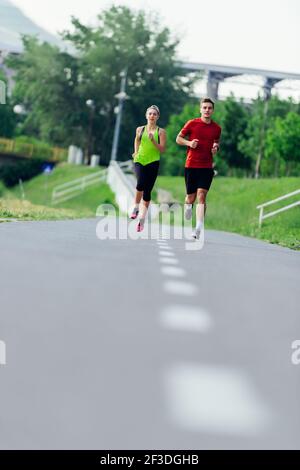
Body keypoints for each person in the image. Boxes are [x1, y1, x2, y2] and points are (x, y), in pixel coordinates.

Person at [176, 97, 221, 239]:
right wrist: (189, 143)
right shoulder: (192, 123)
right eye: (205, 107)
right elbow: (178, 139)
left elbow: (216, 143)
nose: (207, 110)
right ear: (200, 109)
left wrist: (216, 148)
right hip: (191, 165)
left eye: (210, 108)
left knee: (201, 196)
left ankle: (198, 229)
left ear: (212, 110)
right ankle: (188, 206)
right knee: (190, 198)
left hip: (207, 166)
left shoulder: (217, 128)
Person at [130, 105, 166, 232]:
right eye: (150, 113)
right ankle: (135, 207)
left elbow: (162, 149)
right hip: (140, 160)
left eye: (154, 114)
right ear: (146, 115)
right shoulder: (140, 129)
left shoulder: (161, 132)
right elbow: (137, 140)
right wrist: (136, 152)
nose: (152, 116)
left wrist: (153, 141)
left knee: (147, 191)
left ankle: (141, 220)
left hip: (153, 162)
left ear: (157, 117)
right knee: (140, 183)